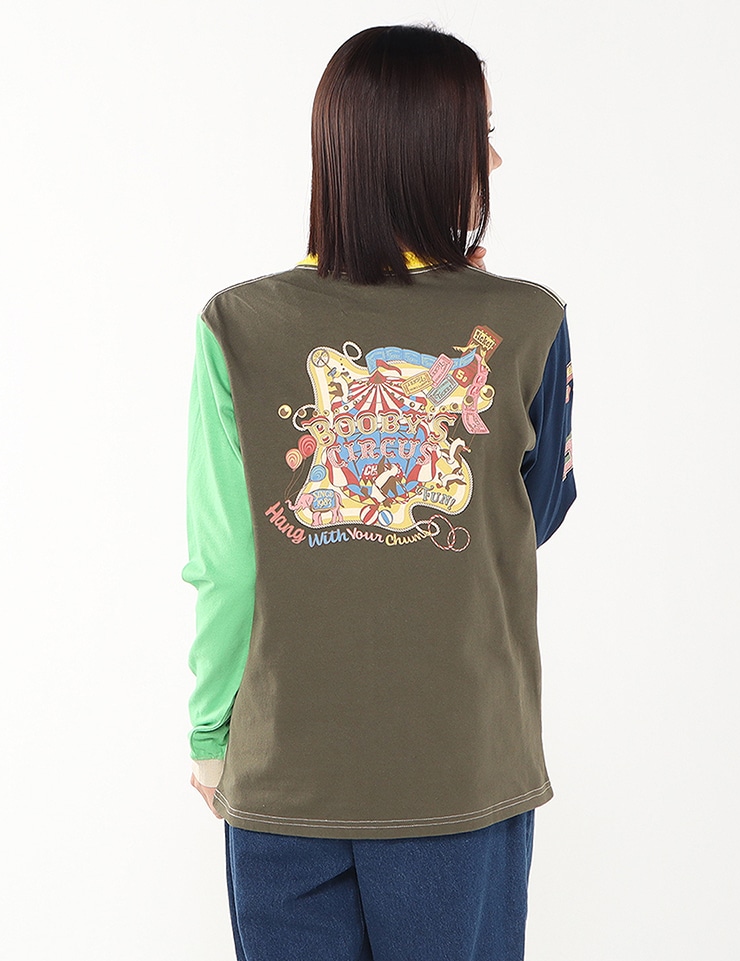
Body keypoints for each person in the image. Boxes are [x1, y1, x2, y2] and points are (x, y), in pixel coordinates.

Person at [182, 22, 576, 961]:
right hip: (461, 772)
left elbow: (226, 560)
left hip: (285, 777)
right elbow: (531, 517)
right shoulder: (528, 320)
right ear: (428, 151)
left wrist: (209, 732)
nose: (495, 158)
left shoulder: (237, 323)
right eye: (481, 133)